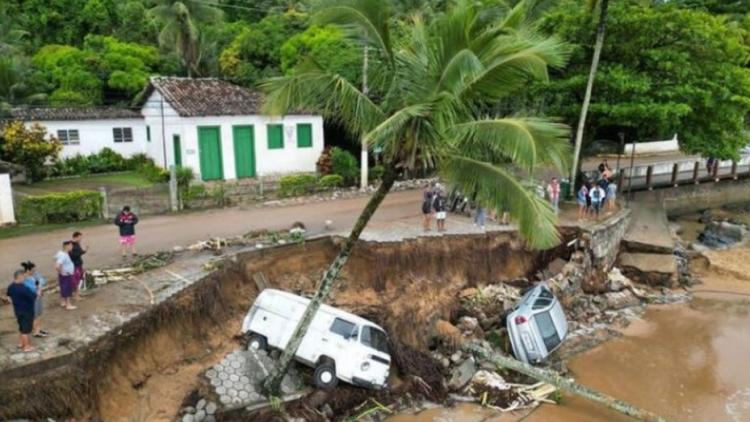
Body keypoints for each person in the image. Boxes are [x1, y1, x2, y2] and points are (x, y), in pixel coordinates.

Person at [7, 268, 37, 352]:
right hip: (26, 311)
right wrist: (38, 292)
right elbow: (33, 297)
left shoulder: (11, 286)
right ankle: (26, 346)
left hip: (17, 311)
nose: (25, 278)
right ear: (19, 277)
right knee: (25, 330)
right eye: (24, 277)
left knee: (21, 327)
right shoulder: (23, 289)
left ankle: (20, 343)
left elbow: (8, 296)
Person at [22, 262, 48, 338]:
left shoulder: (35, 274)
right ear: (28, 270)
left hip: (38, 297)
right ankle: (35, 332)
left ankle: (38, 329)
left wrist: (39, 286)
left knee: (39, 314)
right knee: (34, 316)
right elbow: (31, 289)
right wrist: (39, 287)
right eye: (33, 270)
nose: (35, 271)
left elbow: (43, 280)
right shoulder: (25, 279)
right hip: (32, 299)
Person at [55, 241, 76, 310]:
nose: (72, 247)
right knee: (67, 289)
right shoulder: (63, 255)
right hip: (66, 275)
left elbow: (55, 258)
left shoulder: (61, 253)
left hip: (64, 275)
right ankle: (68, 305)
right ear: (66, 246)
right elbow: (57, 266)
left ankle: (63, 302)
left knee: (63, 288)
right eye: (71, 246)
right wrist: (61, 272)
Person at [70, 231, 88, 299]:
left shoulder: (77, 243)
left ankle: (76, 293)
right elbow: (73, 255)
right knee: (76, 280)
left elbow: (80, 252)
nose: (81, 239)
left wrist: (85, 250)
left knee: (79, 278)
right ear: (76, 237)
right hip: (74, 265)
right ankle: (76, 295)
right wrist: (80, 253)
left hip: (79, 264)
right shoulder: (71, 245)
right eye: (80, 237)